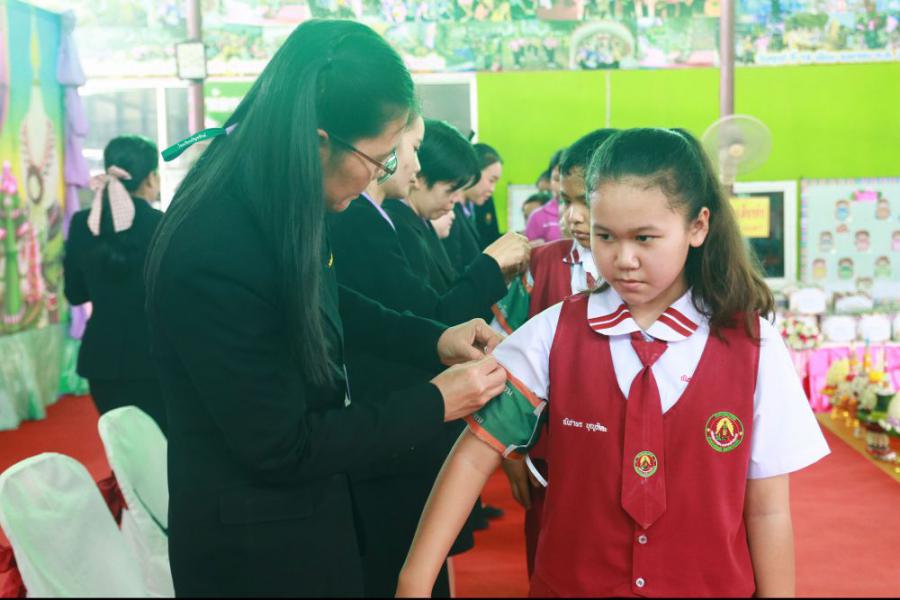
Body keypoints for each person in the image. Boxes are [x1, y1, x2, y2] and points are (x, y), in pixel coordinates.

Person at [144, 21, 506, 597]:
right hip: (257, 552)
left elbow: (325, 298)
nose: (384, 175)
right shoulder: (215, 241)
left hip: (309, 515)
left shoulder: (276, 194)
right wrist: (436, 401)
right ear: (318, 141)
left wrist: (433, 339)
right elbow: (282, 445)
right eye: (380, 159)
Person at [398, 128, 830, 597]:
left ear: (698, 227)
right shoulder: (553, 333)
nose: (624, 259)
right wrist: (414, 579)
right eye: (605, 236)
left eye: (645, 238)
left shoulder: (753, 345)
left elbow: (767, 508)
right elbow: (474, 453)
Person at [327, 115, 510, 597]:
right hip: (393, 421)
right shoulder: (360, 222)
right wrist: (488, 270)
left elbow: (387, 317)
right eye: (409, 147)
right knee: (398, 561)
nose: (409, 162)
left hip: (409, 417)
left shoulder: (387, 220)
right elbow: (416, 313)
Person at [491, 128, 616, 576]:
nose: (573, 216)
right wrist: (510, 450)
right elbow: (500, 362)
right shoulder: (540, 265)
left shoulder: (650, 272)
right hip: (551, 460)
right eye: (565, 200)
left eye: (587, 201)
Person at [63, 135, 166, 431]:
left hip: (101, 360)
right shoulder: (161, 223)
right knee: (161, 446)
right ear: (151, 178)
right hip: (154, 359)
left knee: (123, 447)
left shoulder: (83, 223)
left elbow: (75, 294)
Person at [524, 148, 564, 243]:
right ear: (549, 180)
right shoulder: (537, 217)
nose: (561, 186)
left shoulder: (589, 213)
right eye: (556, 179)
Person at [469, 143, 503, 248]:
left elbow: (492, 236)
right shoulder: (450, 207)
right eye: (491, 180)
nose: (492, 189)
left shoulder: (486, 200)